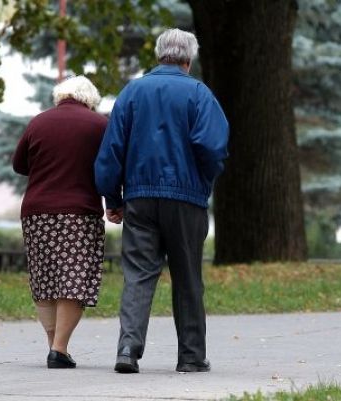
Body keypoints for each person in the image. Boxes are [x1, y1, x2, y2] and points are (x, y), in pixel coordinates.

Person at [94, 28, 229, 374]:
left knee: (138, 274)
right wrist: (203, 183)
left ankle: (127, 348)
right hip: (185, 198)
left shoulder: (132, 92)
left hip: (139, 197)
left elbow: (112, 149)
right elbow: (212, 148)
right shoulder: (199, 93)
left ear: (159, 55)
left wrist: (113, 196)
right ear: (188, 59)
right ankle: (191, 356)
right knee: (187, 277)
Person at [13, 76, 107, 369]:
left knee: (45, 279)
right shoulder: (99, 125)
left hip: (36, 212)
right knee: (73, 281)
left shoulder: (38, 122)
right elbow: (111, 164)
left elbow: (19, 165)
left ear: (60, 96)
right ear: (90, 99)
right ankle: (59, 348)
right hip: (78, 212)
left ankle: (55, 347)